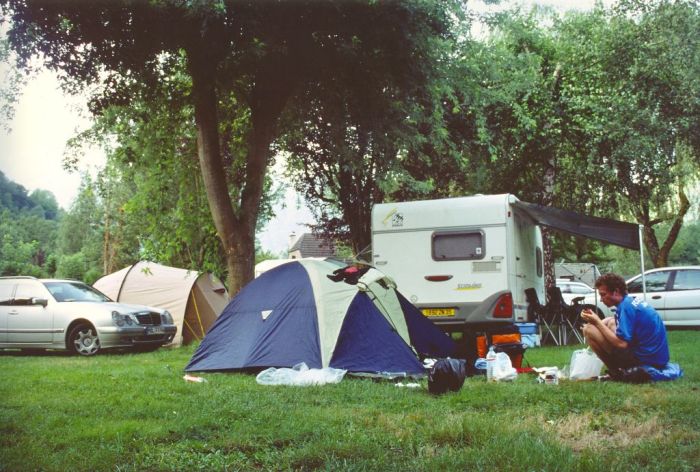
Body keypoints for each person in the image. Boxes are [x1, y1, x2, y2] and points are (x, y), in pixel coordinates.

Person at [581, 273, 670, 378]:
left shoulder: (626, 308)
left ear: (616, 291)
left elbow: (622, 344)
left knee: (588, 330)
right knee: (610, 321)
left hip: (646, 360)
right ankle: (620, 369)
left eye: (603, 294)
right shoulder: (629, 302)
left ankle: (615, 372)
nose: (601, 299)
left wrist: (597, 322)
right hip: (658, 357)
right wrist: (597, 322)